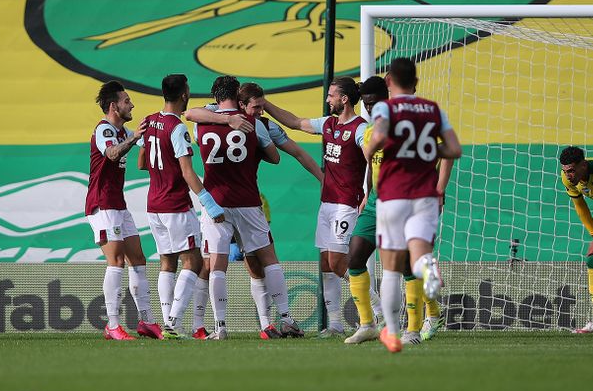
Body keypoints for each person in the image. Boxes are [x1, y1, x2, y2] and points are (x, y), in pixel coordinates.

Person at [364, 58, 461, 353]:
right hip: (426, 195)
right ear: (416, 82)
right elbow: (454, 149)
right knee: (418, 256)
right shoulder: (434, 110)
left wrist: (370, 151)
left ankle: (392, 333)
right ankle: (428, 267)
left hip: (393, 195)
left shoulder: (385, 108)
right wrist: (429, 148)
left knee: (391, 268)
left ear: (390, 82)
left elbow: (378, 137)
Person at [266, 77, 367, 336]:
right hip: (327, 204)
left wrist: (368, 192)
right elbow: (295, 122)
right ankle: (334, 324)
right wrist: (265, 104)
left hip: (346, 204)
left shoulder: (360, 129)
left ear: (344, 99)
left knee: (338, 263)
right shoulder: (329, 124)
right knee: (325, 262)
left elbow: (374, 161)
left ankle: (375, 309)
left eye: (331, 95)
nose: (327, 99)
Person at [193, 76, 284, 340]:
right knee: (268, 259)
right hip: (248, 201)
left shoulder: (202, 122)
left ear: (215, 96)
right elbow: (275, 157)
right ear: (238, 95)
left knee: (216, 265)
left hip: (216, 201)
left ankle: (220, 326)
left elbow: (192, 119)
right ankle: (282, 319)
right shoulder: (253, 123)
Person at [137, 74, 225, 338]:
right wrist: (209, 203)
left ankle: (169, 324)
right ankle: (173, 323)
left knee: (167, 262)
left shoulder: (150, 120)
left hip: (153, 205)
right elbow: (187, 172)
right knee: (194, 260)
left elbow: (142, 163)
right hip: (175, 204)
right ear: (185, 94)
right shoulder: (177, 129)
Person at [86, 81, 160, 340]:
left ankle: (147, 322)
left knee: (138, 260)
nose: (132, 105)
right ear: (114, 106)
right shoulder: (105, 129)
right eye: (127, 101)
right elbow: (112, 154)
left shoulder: (123, 130)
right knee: (116, 261)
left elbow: (144, 151)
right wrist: (135, 137)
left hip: (118, 204)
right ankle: (113, 325)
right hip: (102, 204)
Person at [558, 146, 593, 334]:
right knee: (592, 259)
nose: (568, 175)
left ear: (584, 166)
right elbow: (580, 205)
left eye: (571, 170)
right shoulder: (567, 179)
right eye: (565, 171)